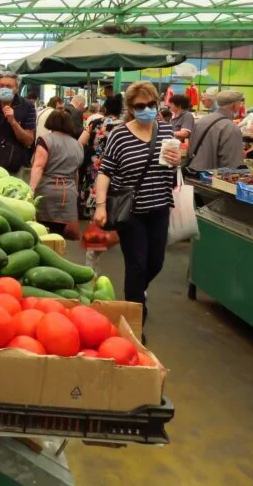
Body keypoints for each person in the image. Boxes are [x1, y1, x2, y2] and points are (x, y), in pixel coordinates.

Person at [93, 81, 180, 325]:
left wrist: (177, 161)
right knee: (137, 265)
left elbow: (171, 170)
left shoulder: (165, 131)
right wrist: (100, 206)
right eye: (140, 106)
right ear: (130, 108)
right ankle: (134, 319)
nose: (147, 109)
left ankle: (137, 294)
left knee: (156, 262)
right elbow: (105, 171)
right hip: (131, 211)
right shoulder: (119, 134)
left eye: (151, 104)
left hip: (160, 205)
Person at [30, 110, 84, 238]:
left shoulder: (45, 140)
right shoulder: (78, 145)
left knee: (43, 234)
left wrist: (30, 190)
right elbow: (76, 173)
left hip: (47, 192)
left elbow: (38, 165)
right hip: (69, 193)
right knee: (59, 237)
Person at [0, 71, 37, 175]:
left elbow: (29, 141)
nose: (5, 89)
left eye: (9, 86)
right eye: (1, 86)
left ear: (17, 88)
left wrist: (13, 122)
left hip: (14, 170)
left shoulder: (27, 106)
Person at [187, 90, 246, 171]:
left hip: (193, 170)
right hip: (211, 178)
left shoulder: (201, 121)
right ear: (235, 105)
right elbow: (231, 163)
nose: (240, 106)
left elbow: (190, 149)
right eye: (240, 103)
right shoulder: (231, 127)